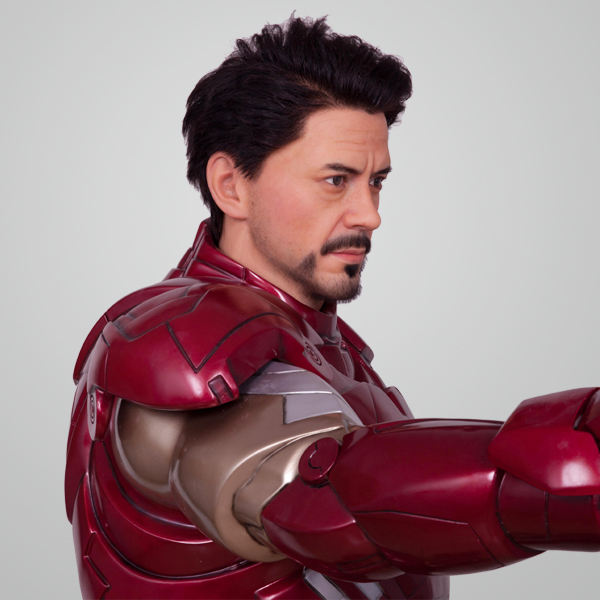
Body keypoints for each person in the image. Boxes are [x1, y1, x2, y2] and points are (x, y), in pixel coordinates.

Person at [65, 16, 600, 600]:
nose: (370, 214)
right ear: (231, 186)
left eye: (377, 181)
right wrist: (556, 473)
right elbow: (321, 498)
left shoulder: (321, 347)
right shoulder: (175, 344)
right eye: (336, 180)